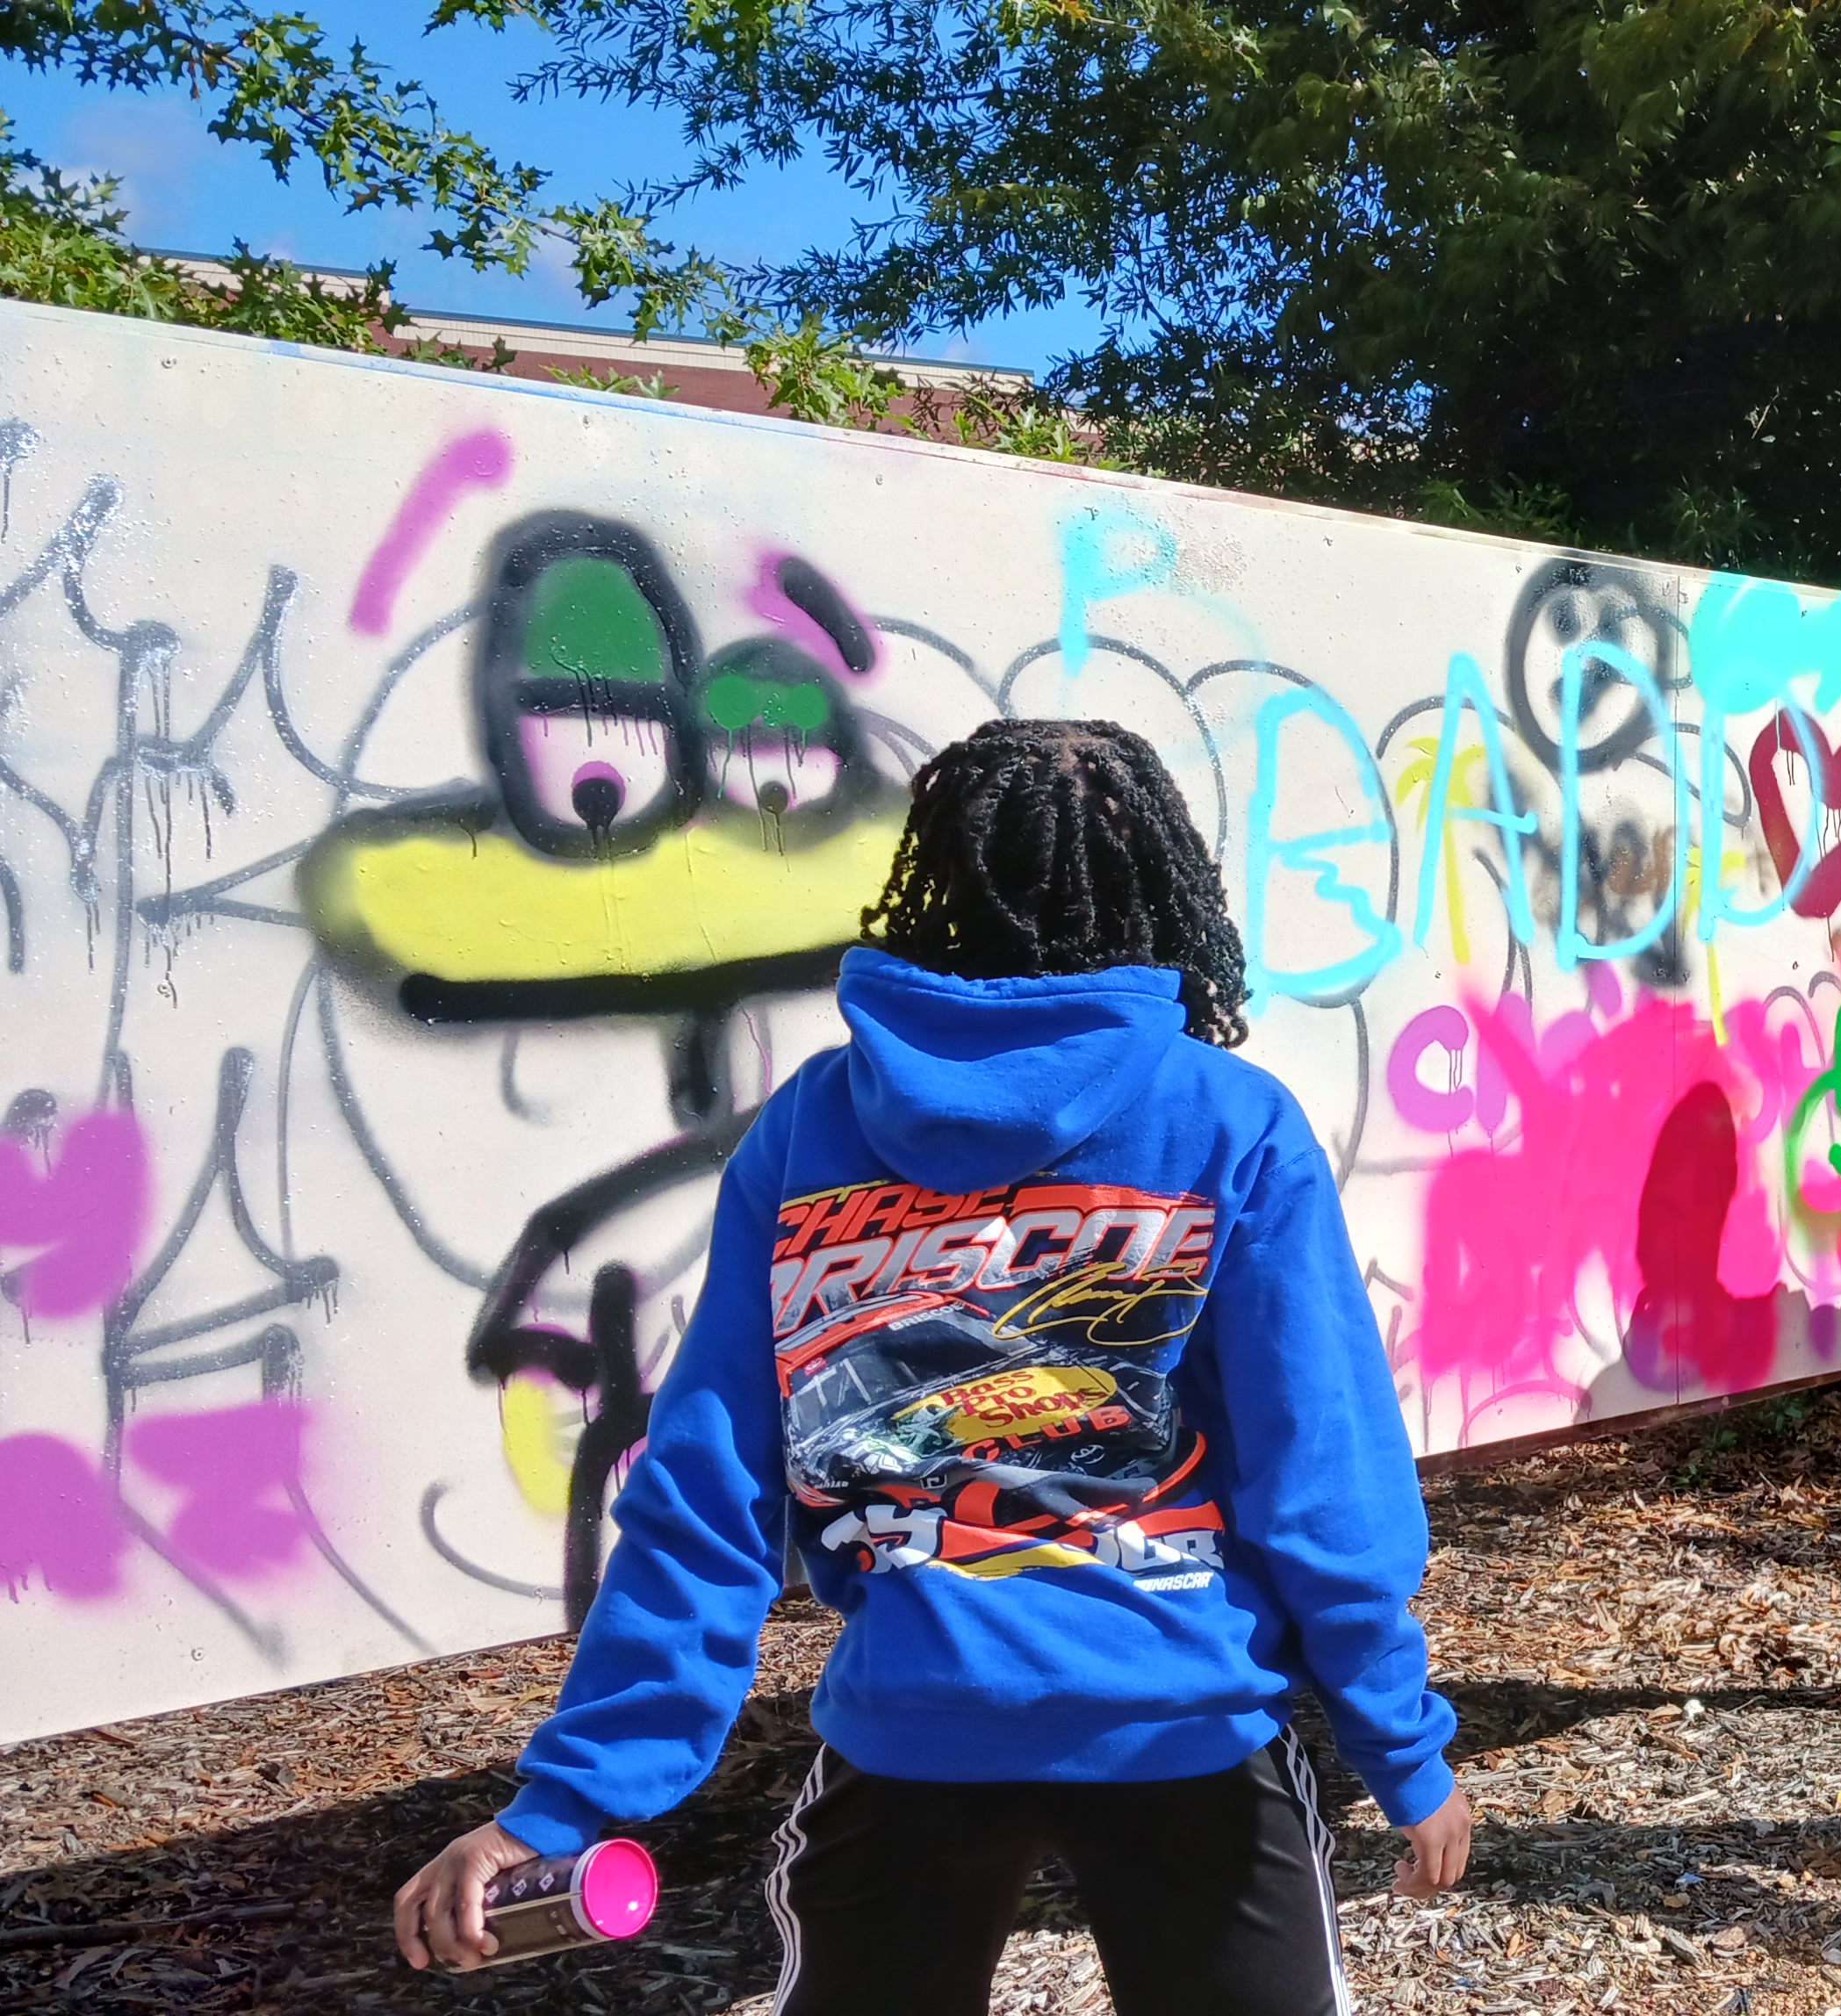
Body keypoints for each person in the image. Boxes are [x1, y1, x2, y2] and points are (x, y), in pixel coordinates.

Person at [392, 719, 1470, 2015]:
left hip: (913, 1728)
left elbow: (709, 1488)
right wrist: (1401, 1741)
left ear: (933, 885)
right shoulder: (1229, 1121)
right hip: (1186, 1722)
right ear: (1166, 890)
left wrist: (568, 1800)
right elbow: (1323, 1473)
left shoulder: (810, 1126)